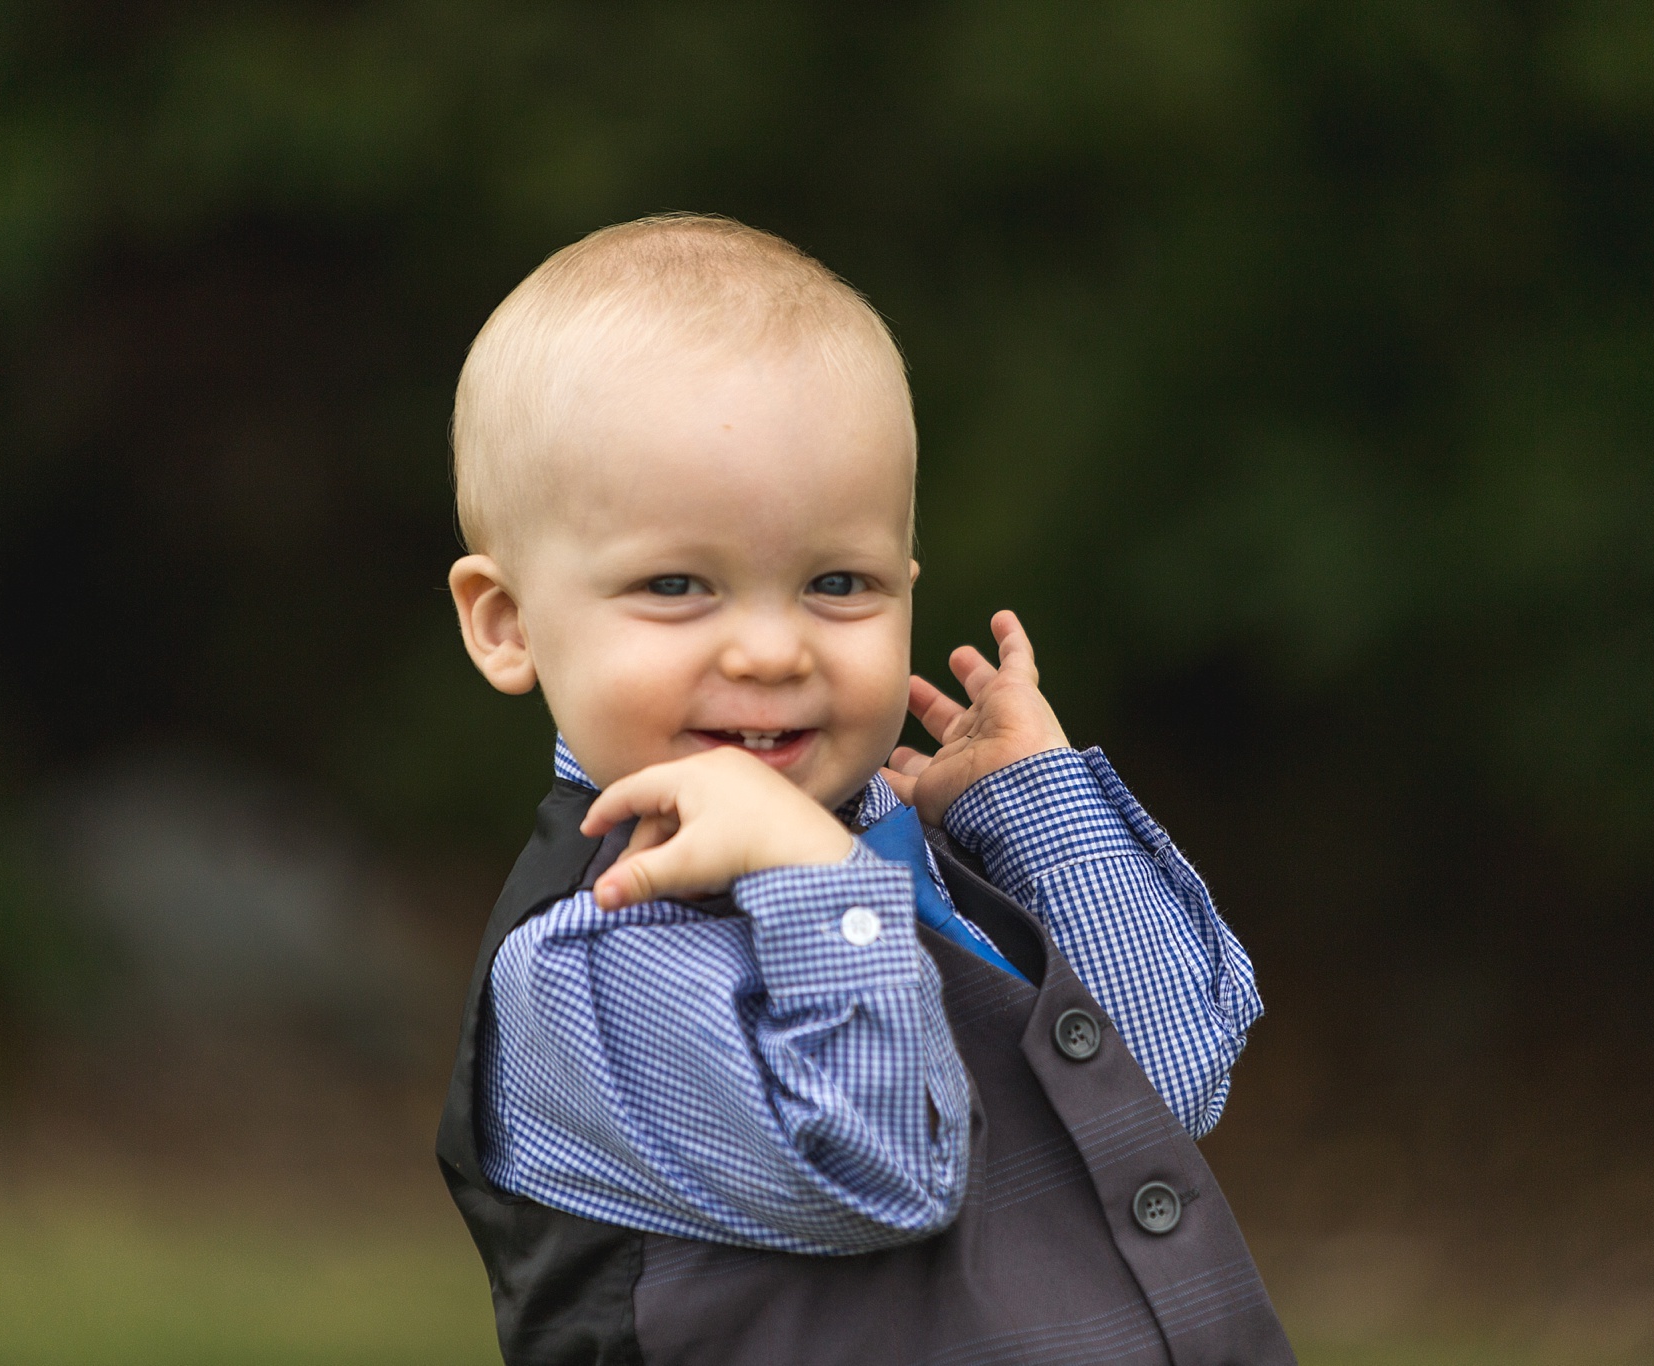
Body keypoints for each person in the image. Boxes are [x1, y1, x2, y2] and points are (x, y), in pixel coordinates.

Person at [436, 214, 1294, 1365]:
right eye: (677, 583)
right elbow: (879, 1169)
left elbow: (1172, 1076)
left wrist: (1032, 802)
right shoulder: (587, 960)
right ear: (508, 623)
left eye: (836, 582)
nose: (772, 650)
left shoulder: (893, 852)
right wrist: (810, 875)